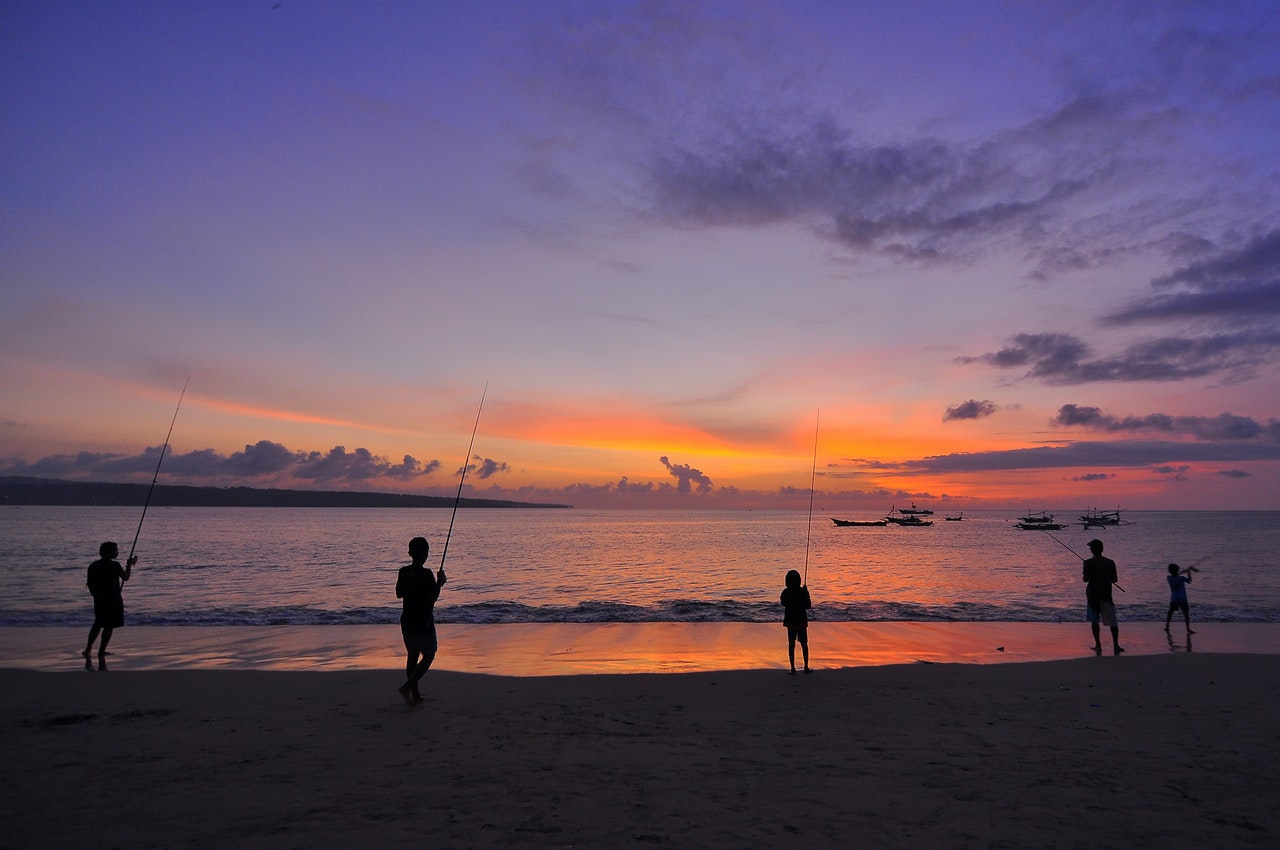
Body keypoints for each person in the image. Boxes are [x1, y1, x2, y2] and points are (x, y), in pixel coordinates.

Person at [395, 536, 446, 705]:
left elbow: (399, 593)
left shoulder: (403, 572)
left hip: (407, 622)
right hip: (423, 622)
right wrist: (439, 583)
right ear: (426, 554)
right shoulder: (426, 574)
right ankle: (409, 687)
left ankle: (415, 695)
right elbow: (433, 598)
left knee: (413, 655)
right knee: (429, 655)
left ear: (410, 553)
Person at [83, 541, 136, 669]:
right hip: (113, 599)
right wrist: (129, 565)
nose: (117, 552)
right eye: (115, 550)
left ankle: (88, 648)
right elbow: (126, 577)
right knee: (109, 625)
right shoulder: (114, 565)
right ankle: (101, 650)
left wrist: (96, 596)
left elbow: (89, 584)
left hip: (99, 600)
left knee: (98, 623)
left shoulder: (93, 565)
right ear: (109, 552)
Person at [1082, 539, 1122, 655]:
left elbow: (1085, 580)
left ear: (1092, 550)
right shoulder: (1110, 562)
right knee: (1112, 621)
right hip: (1106, 595)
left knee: (1095, 621)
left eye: (1090, 548)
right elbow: (1115, 579)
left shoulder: (1088, 563)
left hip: (1092, 595)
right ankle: (1116, 645)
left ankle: (1098, 645)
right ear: (1102, 549)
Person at [780, 569, 812, 674]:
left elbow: (783, 602)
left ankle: (793, 668)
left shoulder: (786, 592)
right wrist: (806, 592)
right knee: (804, 644)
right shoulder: (802, 592)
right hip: (801, 620)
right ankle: (806, 667)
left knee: (791, 644)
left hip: (790, 621)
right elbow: (808, 605)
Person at [1165, 563, 1196, 634]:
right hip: (1182, 599)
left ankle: (1167, 626)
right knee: (1186, 614)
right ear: (1177, 570)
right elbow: (1189, 581)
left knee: (1170, 613)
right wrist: (1188, 572)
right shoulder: (1181, 578)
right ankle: (1188, 628)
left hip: (1174, 599)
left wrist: (1184, 571)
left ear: (1169, 571)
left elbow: (1176, 575)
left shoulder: (1168, 578)